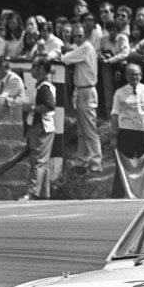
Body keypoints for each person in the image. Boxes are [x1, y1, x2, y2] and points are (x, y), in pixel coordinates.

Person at [110, 63, 144, 199]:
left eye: (137, 74)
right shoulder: (120, 93)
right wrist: (114, 137)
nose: (134, 77)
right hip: (127, 132)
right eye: (131, 74)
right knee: (124, 164)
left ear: (141, 76)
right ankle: (120, 194)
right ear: (126, 76)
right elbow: (114, 115)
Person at [61, 23, 103, 174]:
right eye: (75, 36)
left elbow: (65, 58)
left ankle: (96, 161)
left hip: (87, 91)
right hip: (80, 90)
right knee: (81, 129)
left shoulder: (86, 47)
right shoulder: (81, 48)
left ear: (85, 35)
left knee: (89, 128)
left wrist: (61, 53)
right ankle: (83, 159)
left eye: (80, 35)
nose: (77, 38)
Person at [21, 56, 57, 200]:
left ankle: (32, 192)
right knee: (43, 161)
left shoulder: (44, 87)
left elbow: (49, 106)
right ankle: (43, 192)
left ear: (41, 69)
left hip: (42, 127)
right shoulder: (41, 86)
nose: (31, 70)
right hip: (40, 126)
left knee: (37, 161)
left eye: (34, 67)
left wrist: (33, 108)